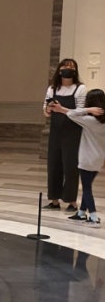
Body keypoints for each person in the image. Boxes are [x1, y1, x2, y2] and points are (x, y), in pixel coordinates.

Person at [49, 88, 105, 226]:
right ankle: (81, 213)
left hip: (87, 158)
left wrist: (88, 109)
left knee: (86, 188)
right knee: (88, 185)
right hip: (99, 158)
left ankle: (93, 217)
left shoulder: (89, 120)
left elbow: (72, 114)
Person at [43, 58, 86, 210]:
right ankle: (54, 200)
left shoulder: (80, 88)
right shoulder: (52, 88)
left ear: (75, 71)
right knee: (54, 165)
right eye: (65, 66)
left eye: (71, 67)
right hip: (56, 132)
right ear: (59, 70)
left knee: (71, 166)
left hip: (73, 132)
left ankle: (72, 201)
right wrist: (49, 109)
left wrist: (61, 110)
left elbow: (80, 112)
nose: (68, 69)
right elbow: (45, 112)